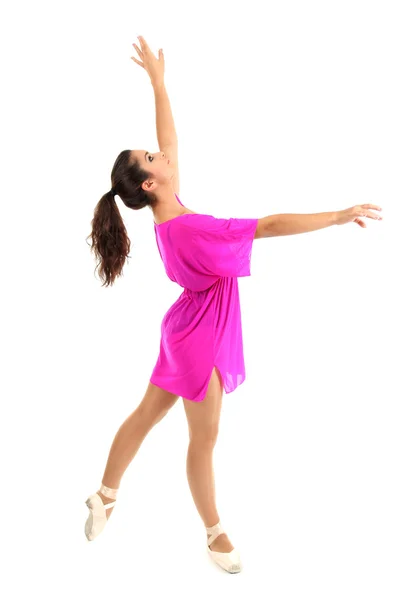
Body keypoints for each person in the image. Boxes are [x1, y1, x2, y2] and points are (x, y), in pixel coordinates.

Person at [84, 36, 383, 574]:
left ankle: (104, 495)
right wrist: (336, 216)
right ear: (150, 181)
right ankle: (214, 532)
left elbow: (169, 138)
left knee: (148, 413)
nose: (163, 153)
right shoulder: (194, 229)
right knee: (204, 438)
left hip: (188, 325)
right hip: (200, 338)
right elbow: (267, 226)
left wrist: (157, 82)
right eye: (152, 158)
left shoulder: (168, 211)